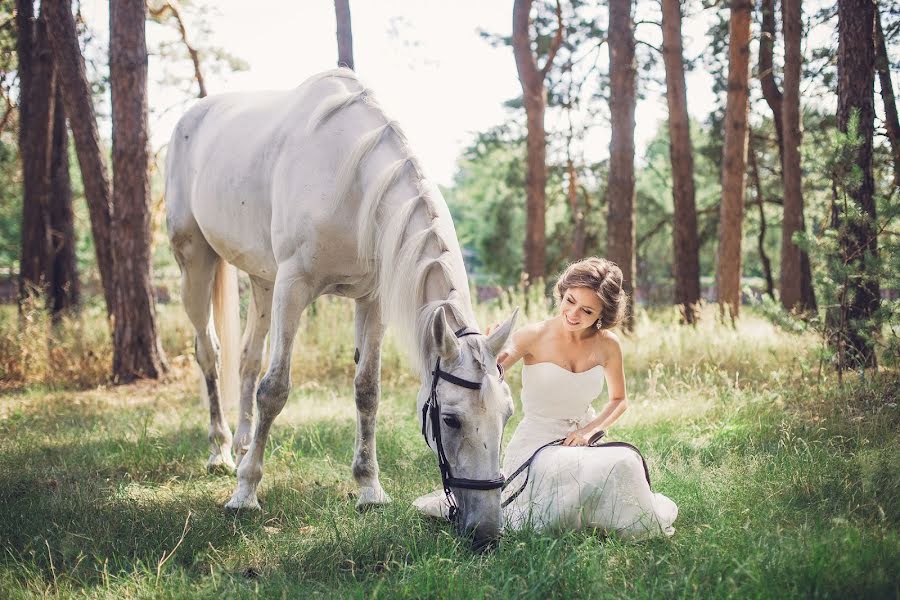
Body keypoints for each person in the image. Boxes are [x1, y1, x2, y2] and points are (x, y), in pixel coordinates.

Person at [413, 257, 677, 538]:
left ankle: (604, 519)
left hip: (583, 441)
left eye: (587, 311)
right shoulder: (533, 335)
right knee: (616, 466)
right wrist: (485, 354)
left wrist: (589, 431)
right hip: (536, 445)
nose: (573, 314)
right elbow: (493, 372)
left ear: (602, 315)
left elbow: (619, 400)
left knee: (627, 462)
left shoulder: (608, 345)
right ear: (562, 293)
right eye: (570, 301)